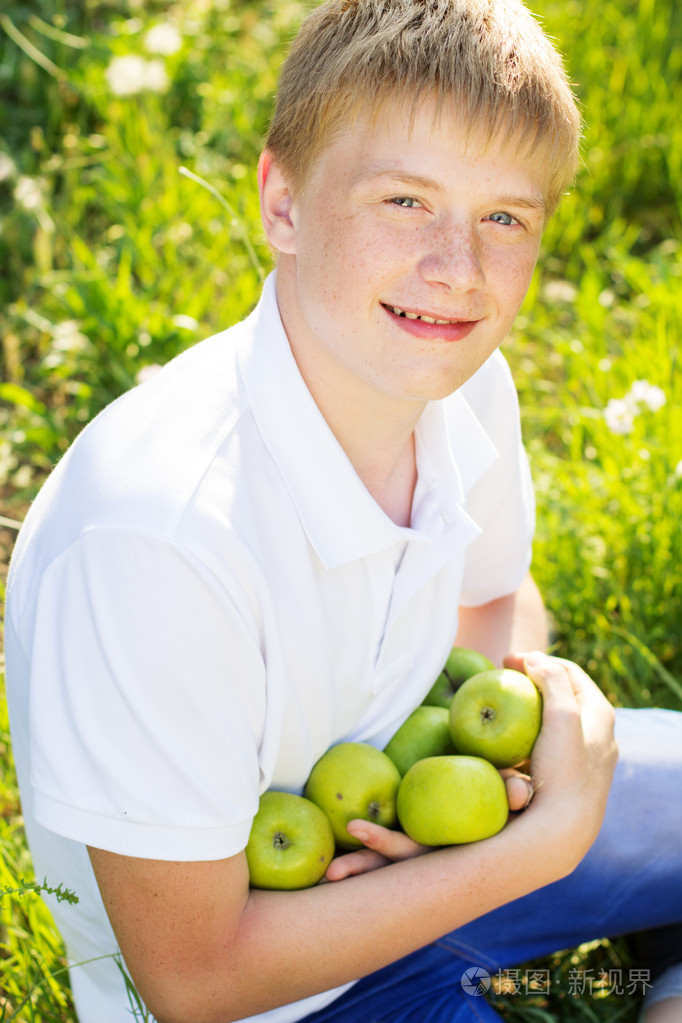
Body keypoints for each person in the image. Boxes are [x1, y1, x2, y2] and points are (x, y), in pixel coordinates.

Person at [4, 1, 681, 1021]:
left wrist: (493, 793)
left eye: (503, 217)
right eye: (404, 202)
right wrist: (537, 847)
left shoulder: (456, 382)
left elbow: (493, 602)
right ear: (281, 204)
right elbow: (194, 980)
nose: (457, 270)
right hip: (276, 990)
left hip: (423, 845)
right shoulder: (159, 540)